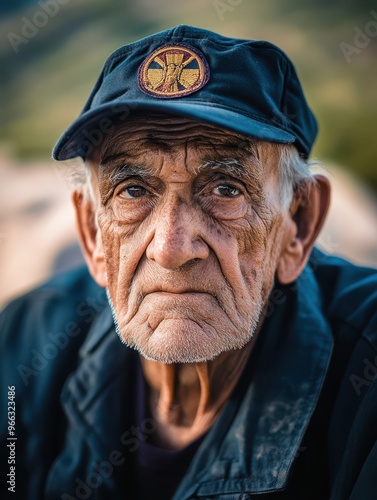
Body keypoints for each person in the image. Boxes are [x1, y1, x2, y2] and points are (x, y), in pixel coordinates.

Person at [1, 25, 377, 500]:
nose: (171, 249)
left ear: (298, 225)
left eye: (225, 189)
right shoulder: (23, 341)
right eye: (133, 191)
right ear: (94, 234)